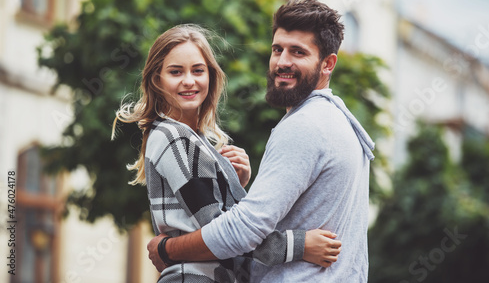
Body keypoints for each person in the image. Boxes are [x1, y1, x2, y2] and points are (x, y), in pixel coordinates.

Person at [147, 0, 375, 282]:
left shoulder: (304, 126)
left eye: (298, 52)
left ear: (327, 64)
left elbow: (243, 230)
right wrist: (232, 183)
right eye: (277, 49)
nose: (282, 62)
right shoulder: (339, 121)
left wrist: (167, 249)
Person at [112, 24, 341, 283]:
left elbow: (212, 220)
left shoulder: (194, 139)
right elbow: (226, 233)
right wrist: (300, 245)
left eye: (198, 70)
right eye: (176, 72)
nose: (189, 80)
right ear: (157, 80)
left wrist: (234, 182)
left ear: (210, 75)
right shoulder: (173, 138)